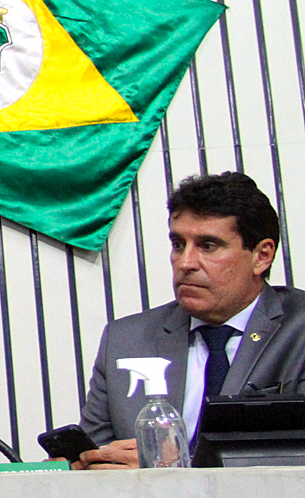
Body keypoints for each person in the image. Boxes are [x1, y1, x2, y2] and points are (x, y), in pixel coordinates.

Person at [75, 171, 305, 469]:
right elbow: (98, 456)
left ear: (261, 256)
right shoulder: (125, 340)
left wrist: (170, 471)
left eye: (208, 246)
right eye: (178, 244)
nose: (185, 262)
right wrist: (81, 465)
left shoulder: (298, 330)